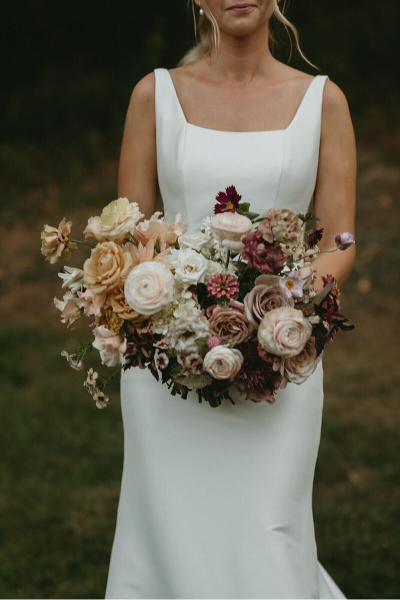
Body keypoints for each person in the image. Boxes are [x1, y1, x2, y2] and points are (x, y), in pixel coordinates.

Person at [105, 0, 356, 597]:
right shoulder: (154, 96)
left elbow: (340, 239)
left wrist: (282, 317)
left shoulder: (324, 101)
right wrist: (172, 309)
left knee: (270, 536)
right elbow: (128, 229)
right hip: (169, 365)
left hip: (280, 365)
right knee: (171, 540)